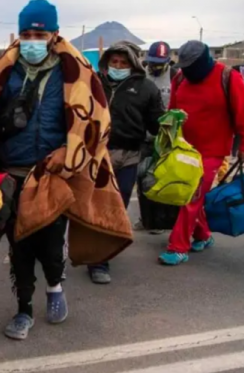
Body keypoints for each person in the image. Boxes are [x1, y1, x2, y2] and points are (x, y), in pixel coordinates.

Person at [0, 0, 130, 340]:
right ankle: (23, 309)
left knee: (50, 246)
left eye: (39, 34)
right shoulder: (5, 72)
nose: (32, 41)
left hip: (54, 174)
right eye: (26, 34)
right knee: (20, 246)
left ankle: (55, 286)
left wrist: (69, 151)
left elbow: (96, 120)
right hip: (12, 172)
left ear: (54, 34)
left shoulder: (74, 72)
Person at [159, 40, 244, 266]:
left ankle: (178, 246)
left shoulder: (229, 77)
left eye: (190, 66)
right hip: (183, 149)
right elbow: (172, 111)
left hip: (212, 150)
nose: (186, 70)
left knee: (191, 195)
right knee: (188, 194)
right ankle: (203, 235)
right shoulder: (180, 78)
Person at [87, 41, 164, 284]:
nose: (118, 66)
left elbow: (156, 124)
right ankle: (98, 261)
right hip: (98, 155)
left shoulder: (147, 88)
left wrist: (170, 122)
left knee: (116, 207)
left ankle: (103, 253)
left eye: (123, 62)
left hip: (130, 156)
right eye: (114, 62)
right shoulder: (93, 83)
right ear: (106, 62)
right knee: (97, 206)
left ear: (133, 64)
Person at [134, 40, 177, 234]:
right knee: (142, 179)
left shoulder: (176, 77)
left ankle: (162, 220)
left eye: (160, 64)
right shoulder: (140, 75)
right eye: (153, 63)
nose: (156, 67)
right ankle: (146, 219)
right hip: (143, 138)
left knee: (163, 179)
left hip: (167, 140)